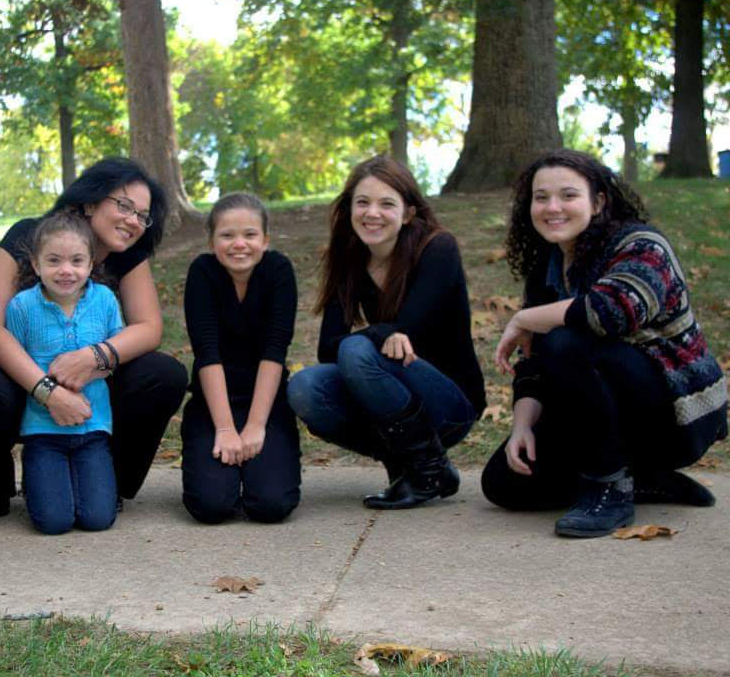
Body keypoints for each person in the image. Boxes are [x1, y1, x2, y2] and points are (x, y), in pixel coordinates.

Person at [483, 149, 727, 537]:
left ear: (597, 202)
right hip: (606, 412)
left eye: (568, 195)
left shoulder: (641, 244)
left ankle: (609, 487)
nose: (552, 207)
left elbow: (610, 311)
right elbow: (532, 363)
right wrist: (522, 425)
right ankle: (646, 479)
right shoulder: (547, 265)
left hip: (676, 414)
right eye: (540, 197)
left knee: (565, 339)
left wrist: (523, 317)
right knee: (504, 484)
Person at [0, 157, 188, 518]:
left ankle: (109, 483)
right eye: (124, 206)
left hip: (89, 380)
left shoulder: (128, 257)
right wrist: (47, 391)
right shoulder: (28, 236)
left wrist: (95, 356)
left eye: (142, 216)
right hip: (22, 376)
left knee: (164, 374)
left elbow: (149, 328)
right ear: (90, 201)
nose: (133, 221)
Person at [287, 155, 486, 509]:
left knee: (356, 350)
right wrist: (381, 334)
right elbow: (326, 349)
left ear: (408, 213)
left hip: (449, 403)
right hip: (394, 401)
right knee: (305, 387)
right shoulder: (348, 259)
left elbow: (410, 329)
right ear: (349, 208)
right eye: (362, 202)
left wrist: (377, 335)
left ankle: (428, 467)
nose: (371, 213)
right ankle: (410, 465)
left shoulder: (438, 248)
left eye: (386, 204)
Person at [181, 193, 300, 523]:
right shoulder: (202, 273)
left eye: (250, 235)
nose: (239, 244)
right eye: (227, 235)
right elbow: (207, 353)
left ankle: (264, 461)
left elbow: (275, 351)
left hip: (266, 400)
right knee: (211, 506)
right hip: (214, 402)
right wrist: (225, 429)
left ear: (265, 240)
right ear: (212, 240)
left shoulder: (278, 271)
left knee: (271, 505)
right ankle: (218, 462)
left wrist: (255, 426)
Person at [5, 209, 122, 534]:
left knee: (98, 519)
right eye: (54, 261)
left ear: (90, 264)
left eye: (76, 260)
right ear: (37, 265)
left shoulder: (105, 300)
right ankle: (38, 481)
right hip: (43, 434)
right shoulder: (21, 307)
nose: (66, 270)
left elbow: (116, 356)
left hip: (93, 429)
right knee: (54, 523)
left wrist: (90, 372)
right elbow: (14, 363)